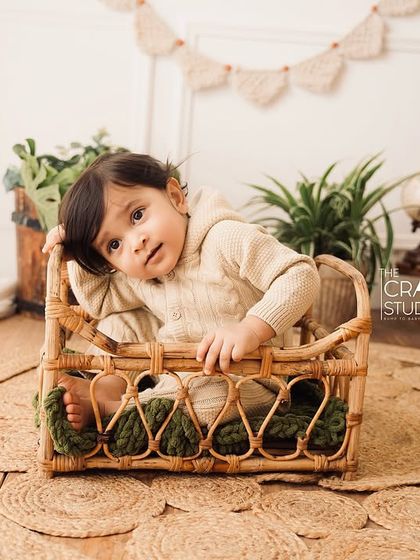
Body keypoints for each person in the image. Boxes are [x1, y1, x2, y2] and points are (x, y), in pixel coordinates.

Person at [42, 152, 320, 432]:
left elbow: (300, 274)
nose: (136, 243)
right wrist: (76, 252)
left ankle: (116, 410)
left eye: (137, 215)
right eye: (114, 244)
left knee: (214, 396)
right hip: (177, 370)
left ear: (175, 197)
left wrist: (251, 328)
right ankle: (107, 386)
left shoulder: (225, 238)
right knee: (119, 323)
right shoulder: (143, 273)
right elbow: (99, 303)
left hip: (251, 379)